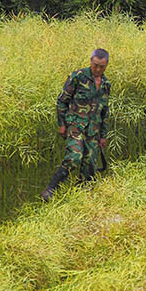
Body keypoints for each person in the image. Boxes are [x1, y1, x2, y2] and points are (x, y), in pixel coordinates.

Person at [41, 49, 111, 201]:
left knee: (90, 166)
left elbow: (104, 111)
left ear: (106, 66)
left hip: (94, 131)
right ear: (91, 62)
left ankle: (81, 197)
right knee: (74, 158)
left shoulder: (106, 84)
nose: (98, 69)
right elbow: (62, 100)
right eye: (95, 65)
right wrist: (62, 124)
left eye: (102, 67)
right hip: (76, 126)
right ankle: (51, 189)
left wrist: (103, 136)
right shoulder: (78, 76)